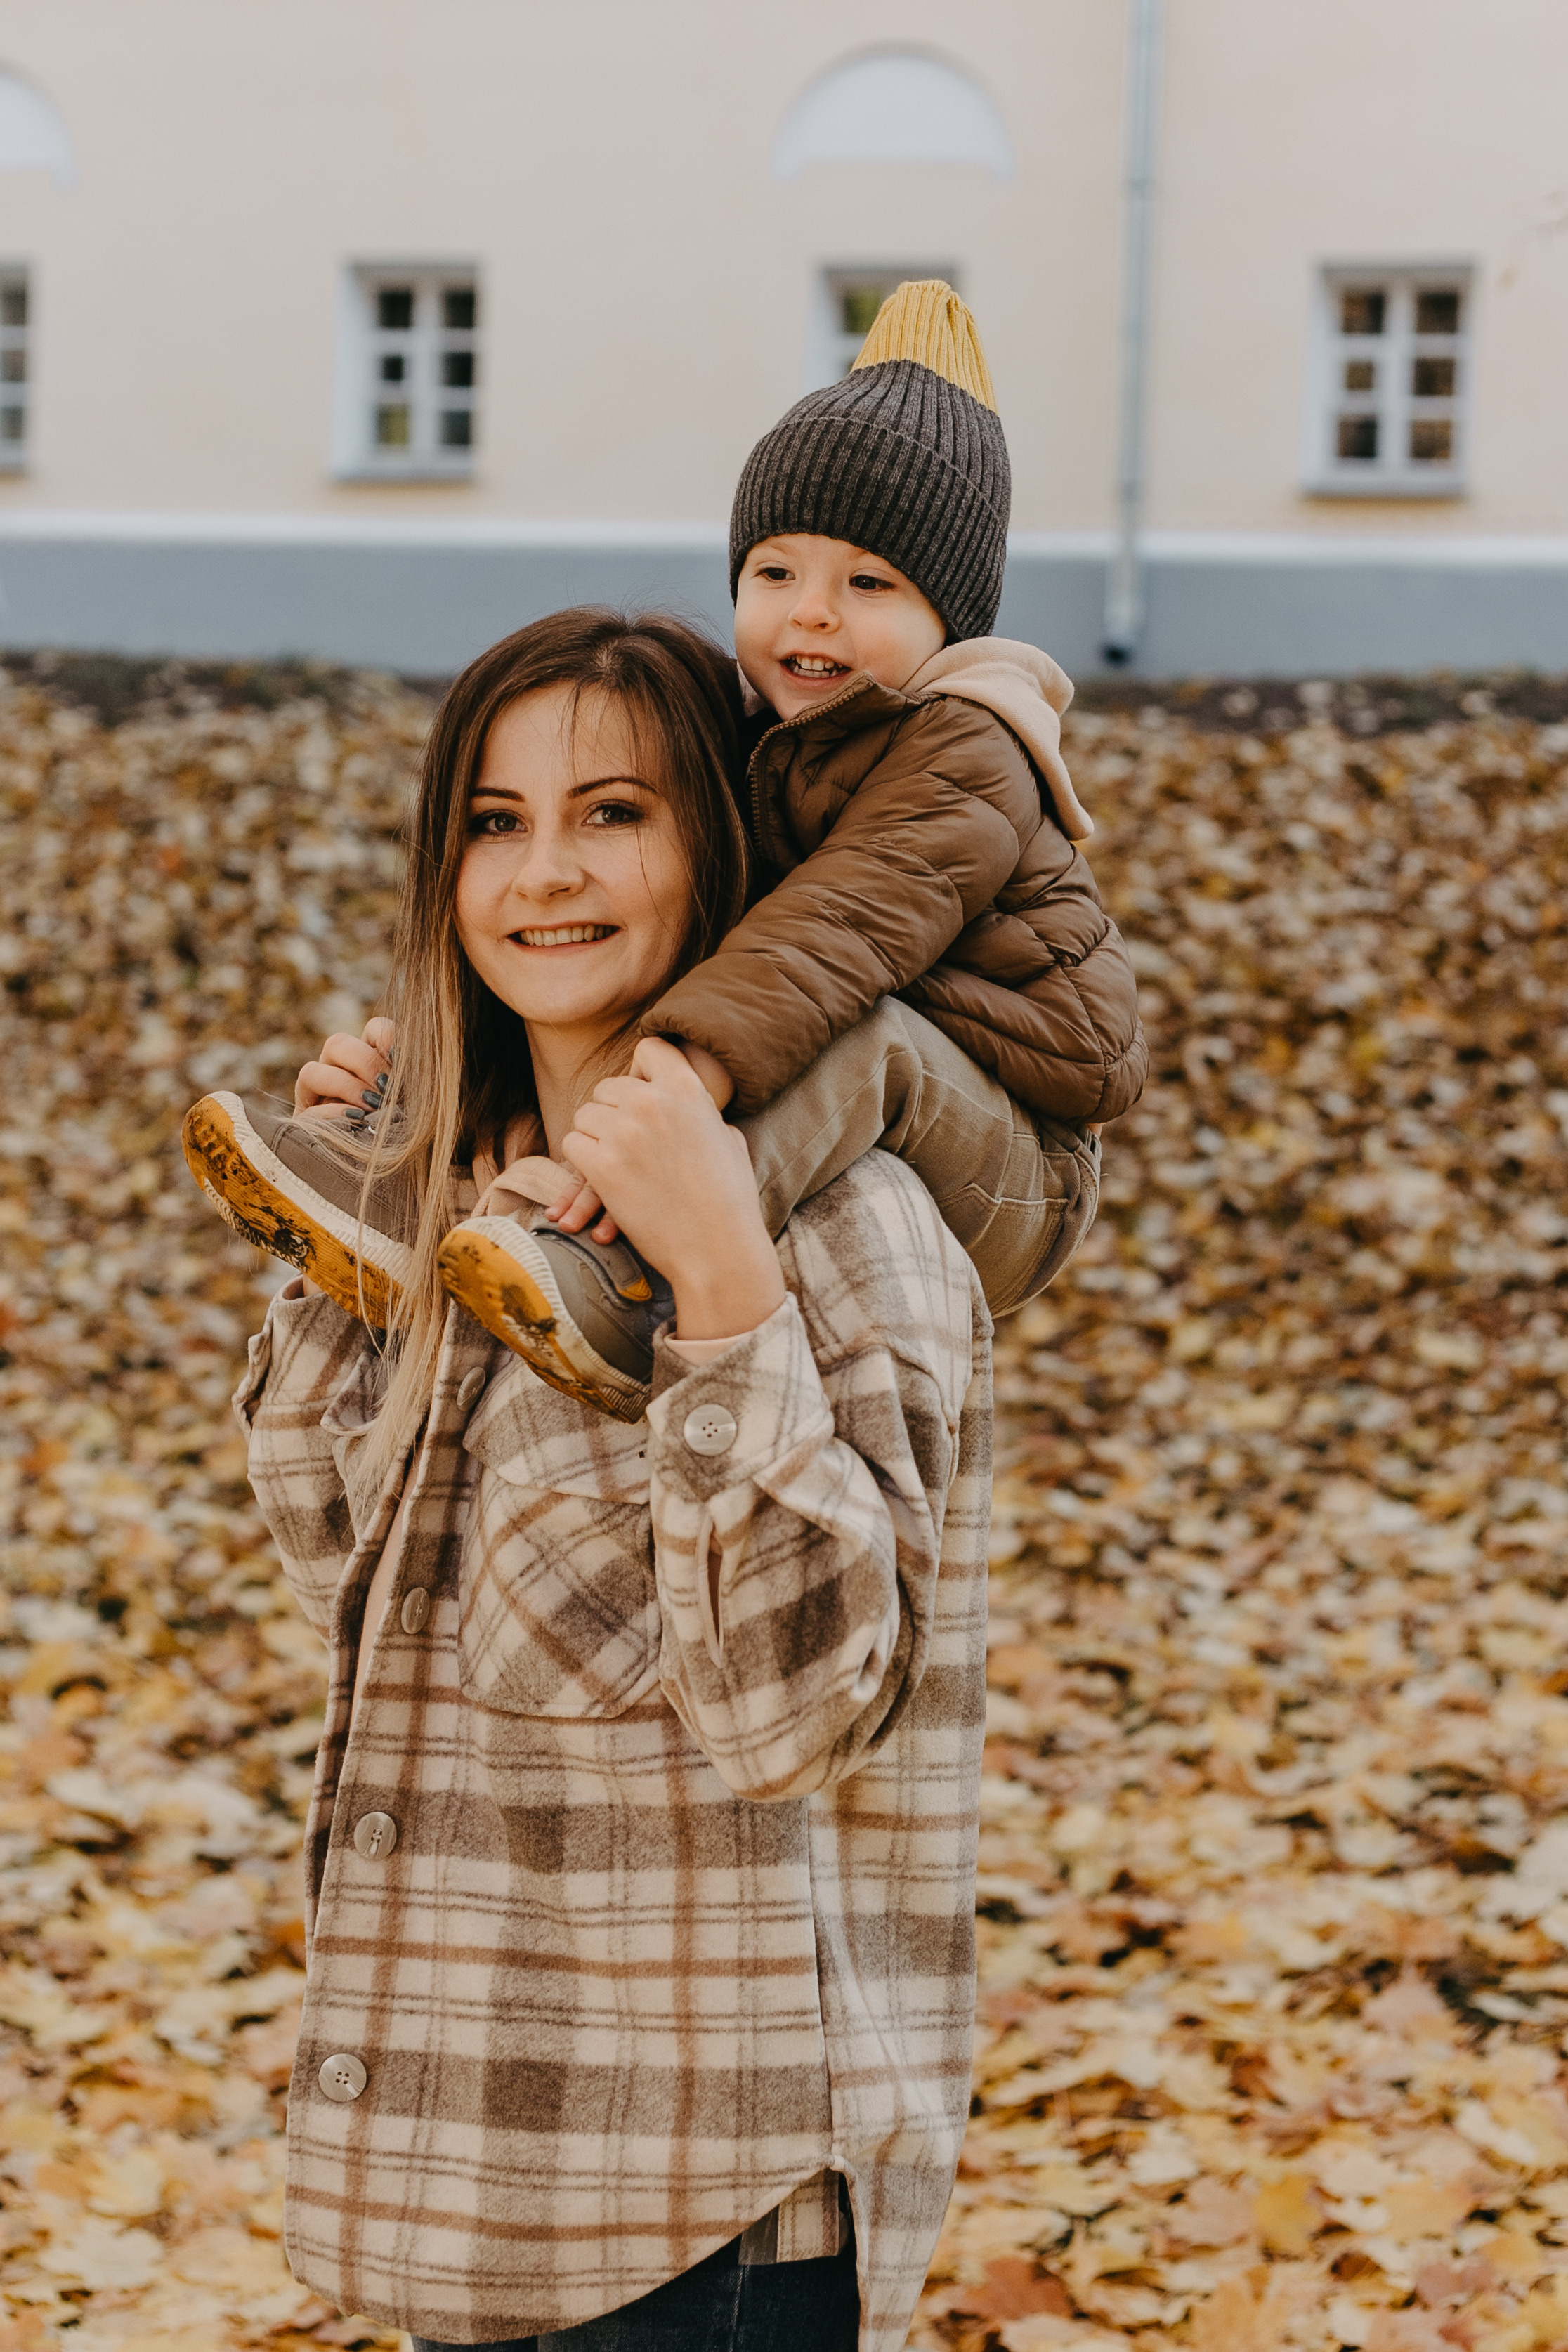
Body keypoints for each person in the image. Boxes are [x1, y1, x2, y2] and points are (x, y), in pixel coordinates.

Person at [232, 607, 993, 2351]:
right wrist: (359, 1217)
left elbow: (795, 1719)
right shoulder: (479, 1194)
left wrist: (720, 1291)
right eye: (494, 822)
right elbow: (335, 1565)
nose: (544, 873)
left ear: (718, 848)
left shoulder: (845, 1221)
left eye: (614, 814)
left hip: (699, 2218)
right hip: (473, 2182)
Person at [183, 281, 1144, 1417]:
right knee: (713, 1037)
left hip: (1015, 1152)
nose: (812, 612)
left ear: (952, 620)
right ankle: (400, 1189)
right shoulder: (781, 737)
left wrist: (685, 1078)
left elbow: (837, 928)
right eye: (774, 573)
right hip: (861, 1071)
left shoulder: (969, 746)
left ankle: (639, 1264)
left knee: (857, 1039)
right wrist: (428, 1108)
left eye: (868, 583)